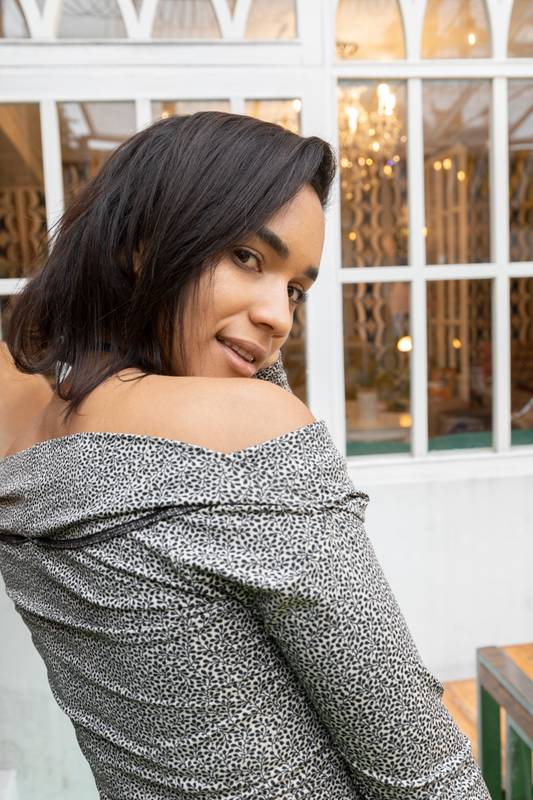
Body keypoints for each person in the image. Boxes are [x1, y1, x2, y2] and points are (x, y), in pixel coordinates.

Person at [0, 111, 490, 799]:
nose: (280, 317)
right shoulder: (248, 430)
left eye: (295, 289)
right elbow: (416, 764)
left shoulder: (22, 433)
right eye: (247, 258)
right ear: (141, 240)